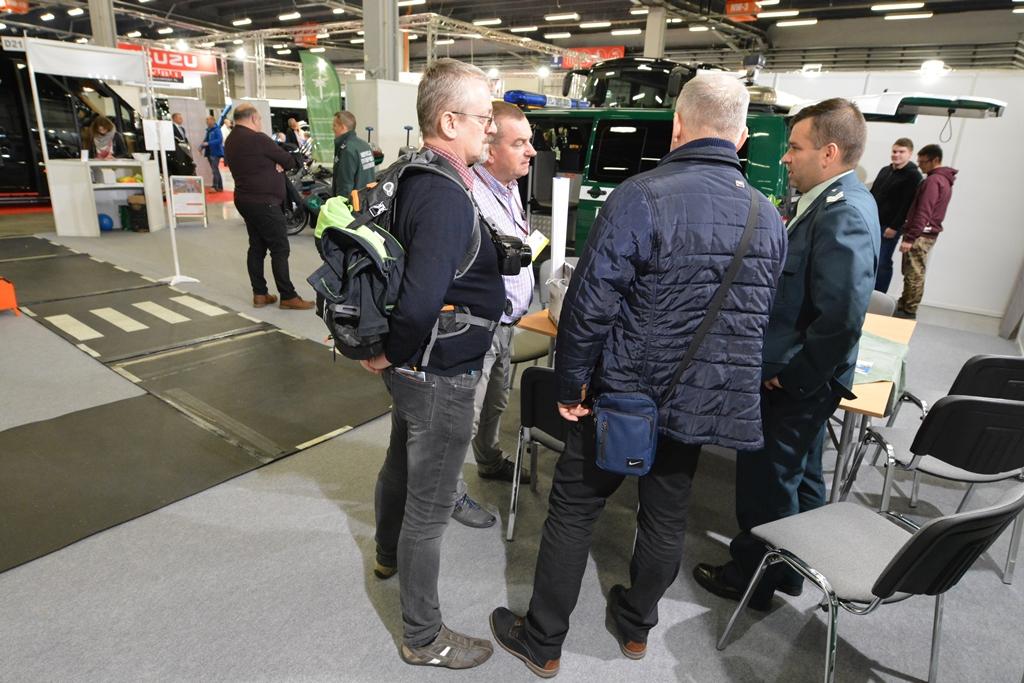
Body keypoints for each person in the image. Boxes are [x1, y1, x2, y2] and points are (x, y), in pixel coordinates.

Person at [489, 72, 788, 676]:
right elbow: (754, 319)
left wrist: (571, 383)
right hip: (699, 401)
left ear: (678, 125)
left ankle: (544, 640)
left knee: (575, 508)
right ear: (741, 137)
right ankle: (635, 628)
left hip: (623, 394)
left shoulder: (642, 196)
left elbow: (590, 303)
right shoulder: (768, 216)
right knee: (666, 513)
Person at [693, 98, 880, 612]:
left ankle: (751, 579)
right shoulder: (835, 201)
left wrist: (795, 377)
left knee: (767, 481)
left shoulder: (842, 213)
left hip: (796, 380)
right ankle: (797, 571)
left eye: (795, 148)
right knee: (801, 476)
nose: (784, 157)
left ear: (829, 153)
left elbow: (841, 316)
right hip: (807, 376)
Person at [358, 58, 505, 670]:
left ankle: (386, 556)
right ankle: (424, 637)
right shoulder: (444, 192)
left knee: (400, 460)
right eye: (483, 118)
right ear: (448, 121)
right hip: (437, 368)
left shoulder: (409, 174)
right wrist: (390, 351)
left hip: (414, 367)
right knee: (430, 506)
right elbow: (420, 300)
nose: (490, 128)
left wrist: (390, 355)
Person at [449, 101, 537, 530]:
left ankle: (489, 460)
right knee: (465, 414)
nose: (531, 151)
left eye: (530, 142)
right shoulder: (470, 193)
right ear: (490, 148)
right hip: (479, 327)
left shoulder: (509, 187)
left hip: (507, 324)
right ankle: (448, 492)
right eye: (519, 143)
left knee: (497, 402)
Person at [223, 103, 314, 311]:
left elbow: (256, 164)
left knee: (256, 246)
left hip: (245, 200)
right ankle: (288, 296)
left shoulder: (231, 139)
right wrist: (278, 162)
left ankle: (260, 294)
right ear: (254, 118)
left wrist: (273, 163)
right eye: (260, 119)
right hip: (265, 202)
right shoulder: (258, 139)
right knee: (280, 248)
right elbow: (289, 161)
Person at [896, 143, 957, 319]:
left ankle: (908, 310)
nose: (920, 165)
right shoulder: (943, 180)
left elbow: (924, 210)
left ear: (935, 160)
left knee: (914, 274)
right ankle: (905, 305)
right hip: (924, 233)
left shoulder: (933, 181)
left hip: (920, 235)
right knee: (914, 272)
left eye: (923, 162)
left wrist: (910, 237)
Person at [870, 137, 922, 293]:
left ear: (910, 153)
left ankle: (879, 295)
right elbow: (873, 194)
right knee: (869, 260)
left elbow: (907, 204)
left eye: (901, 152)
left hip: (889, 226)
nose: (896, 154)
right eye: (894, 151)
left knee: (882, 262)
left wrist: (894, 226)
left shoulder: (913, 176)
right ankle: (867, 293)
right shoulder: (885, 170)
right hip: (874, 223)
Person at [331, 111, 376, 199]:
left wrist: (340, 204)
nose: (332, 129)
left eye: (334, 125)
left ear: (343, 127)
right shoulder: (365, 145)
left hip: (353, 204)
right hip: (368, 200)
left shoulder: (347, 150)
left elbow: (345, 185)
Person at [199, 115, 225, 193]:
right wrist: (201, 147)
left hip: (215, 153)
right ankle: (220, 187)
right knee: (215, 169)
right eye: (206, 120)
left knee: (214, 170)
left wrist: (209, 143)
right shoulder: (209, 130)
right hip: (210, 153)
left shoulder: (217, 129)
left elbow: (219, 140)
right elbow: (205, 140)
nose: (207, 122)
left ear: (213, 121)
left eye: (208, 120)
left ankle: (215, 186)